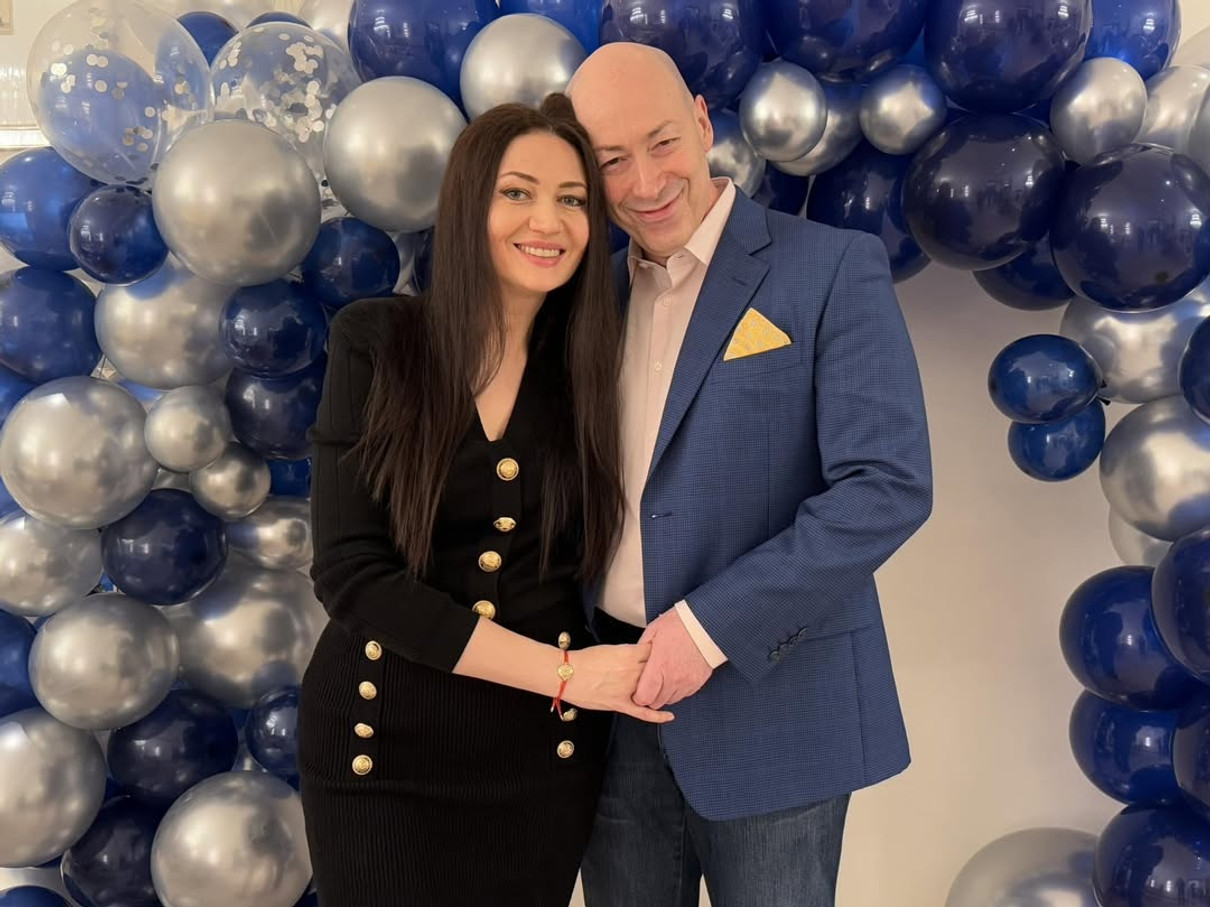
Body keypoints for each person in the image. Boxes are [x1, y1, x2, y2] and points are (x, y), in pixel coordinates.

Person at [566, 44, 933, 907]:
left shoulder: (832, 268)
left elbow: (885, 485)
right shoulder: (587, 301)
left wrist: (706, 630)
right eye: (611, 160)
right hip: (612, 717)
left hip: (776, 714)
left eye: (661, 142)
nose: (645, 182)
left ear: (702, 122)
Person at [296, 94, 673, 907]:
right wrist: (568, 674)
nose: (548, 221)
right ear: (469, 202)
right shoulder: (378, 340)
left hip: (539, 772)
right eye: (518, 192)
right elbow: (352, 573)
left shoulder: (594, 372)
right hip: (379, 756)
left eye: (572, 199)